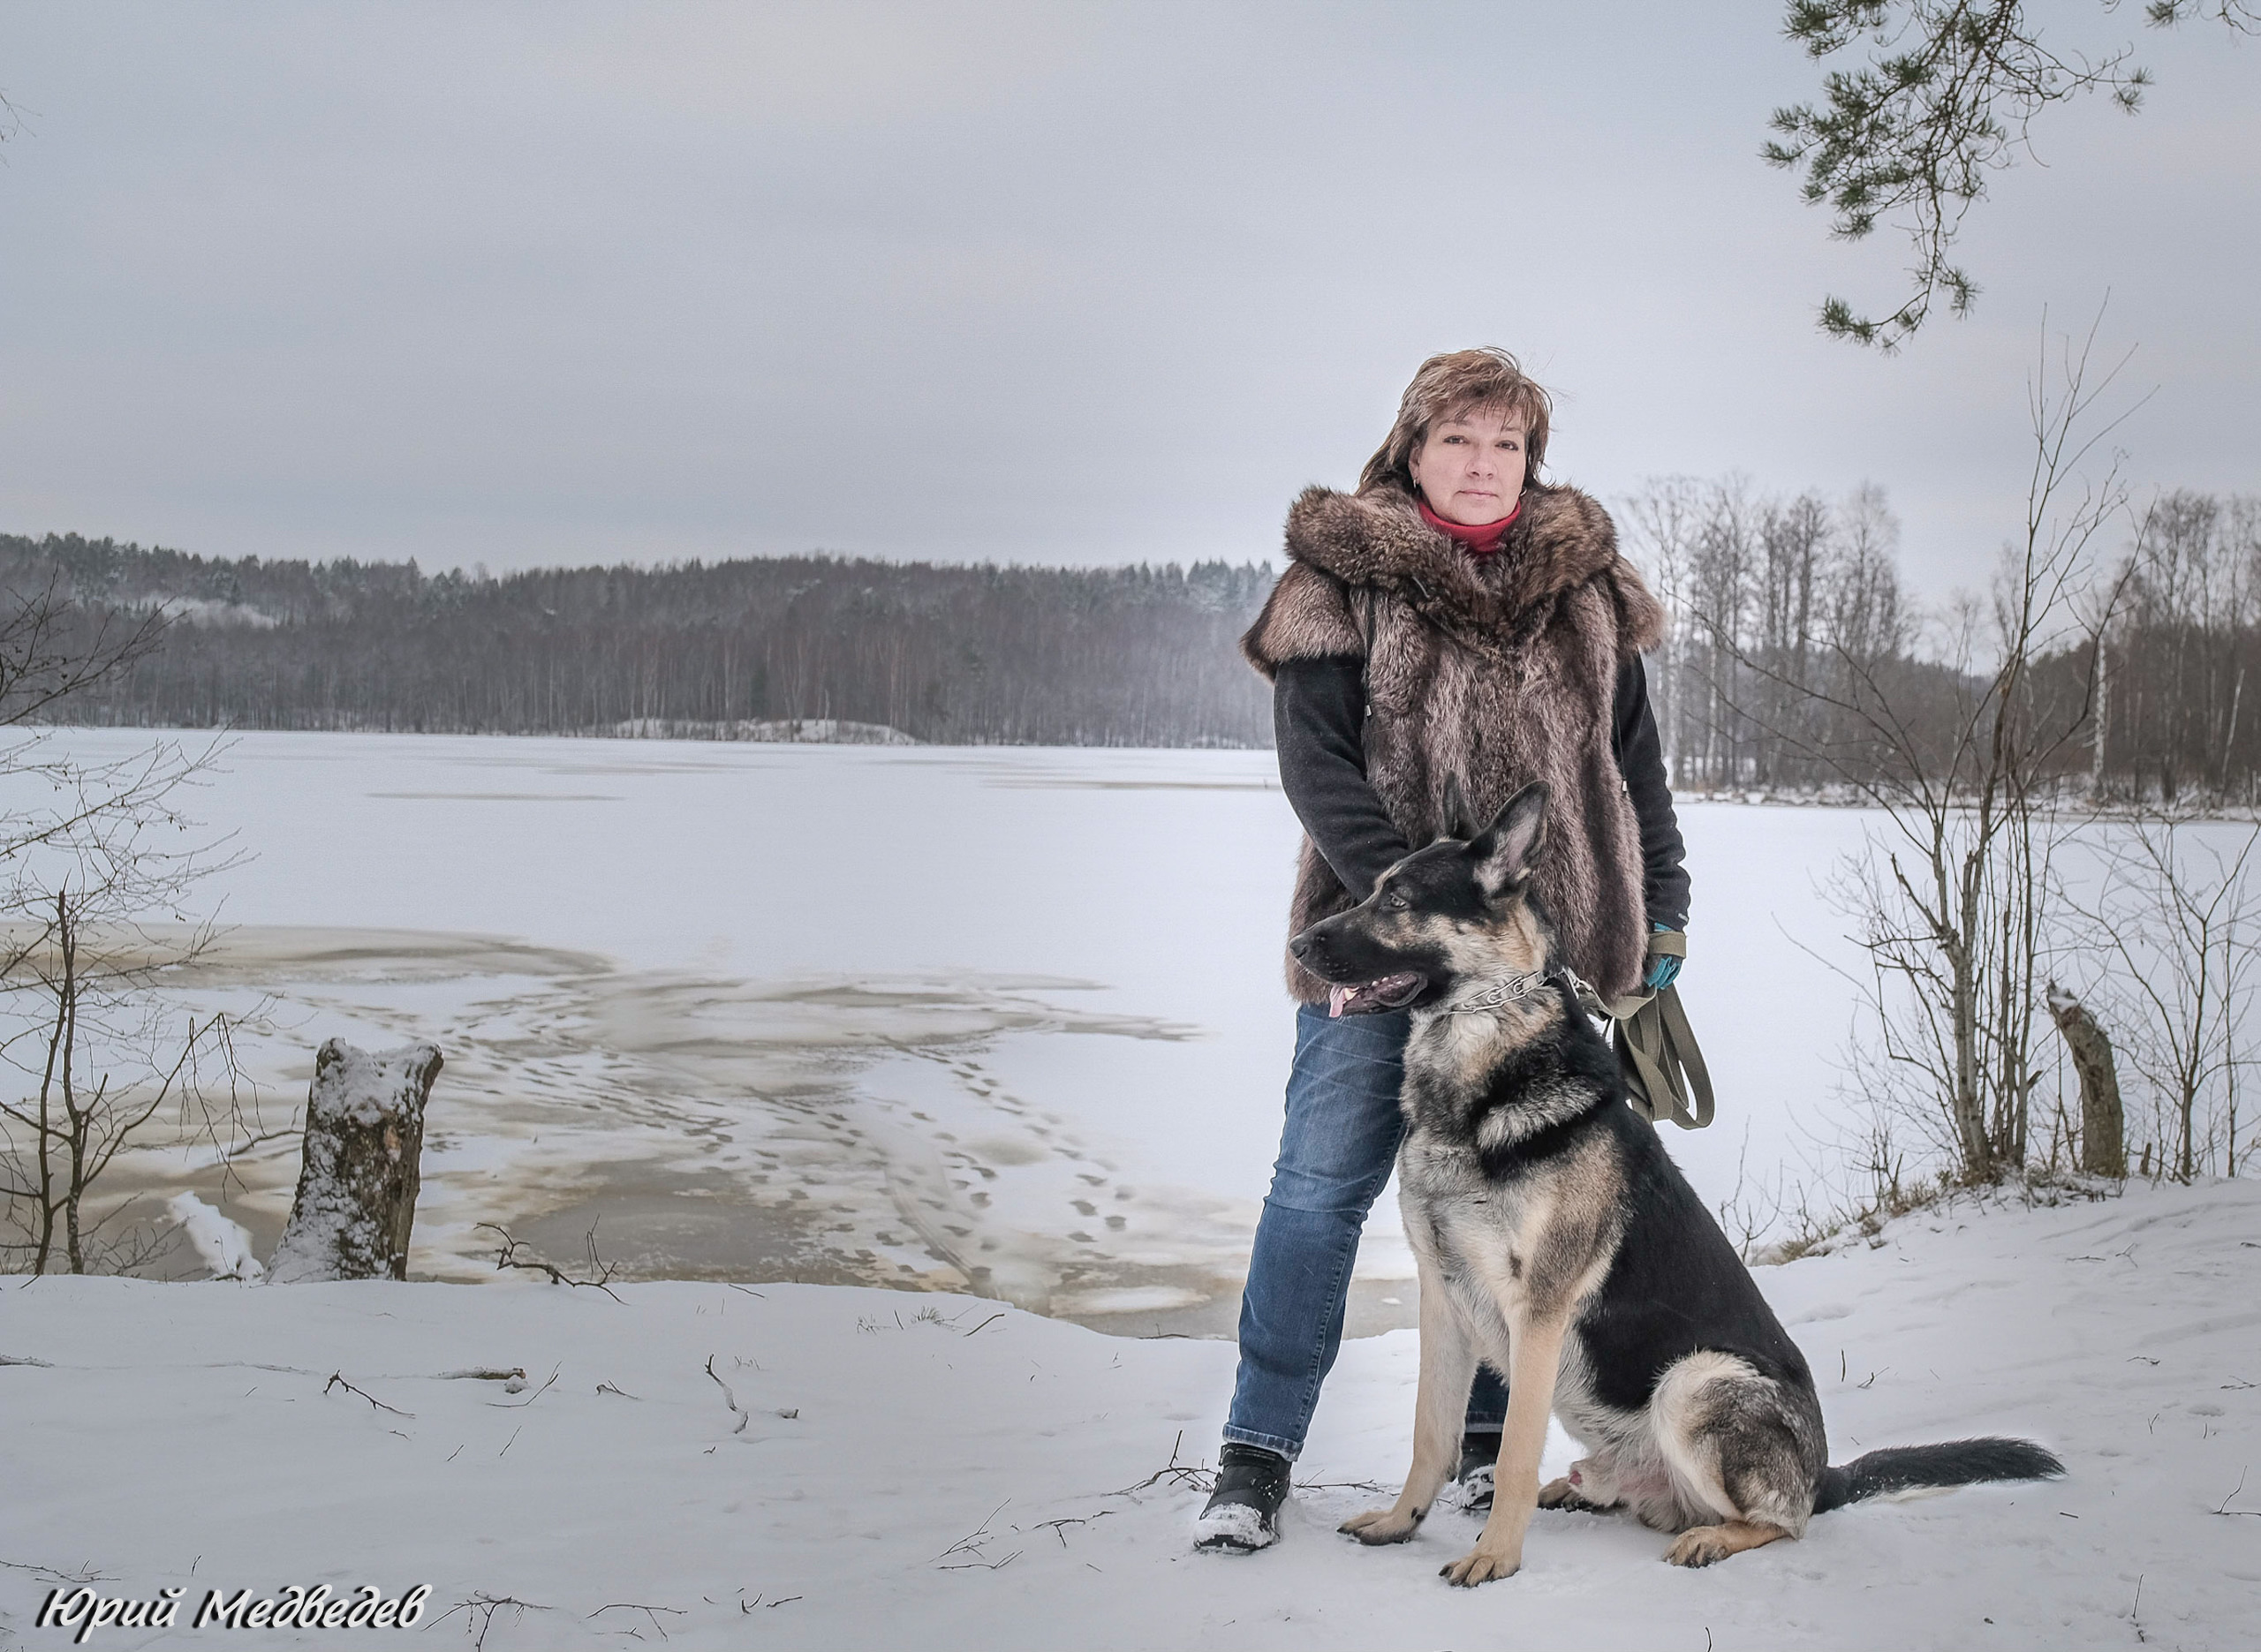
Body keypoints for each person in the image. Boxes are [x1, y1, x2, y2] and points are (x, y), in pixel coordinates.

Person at [1193, 347, 1690, 1553]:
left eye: (1506, 443)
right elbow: (1317, 767)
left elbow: (1635, 774)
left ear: (1532, 460)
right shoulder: (1341, 577)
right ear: (1412, 450)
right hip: (1382, 959)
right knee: (1317, 1195)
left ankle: (1481, 1460)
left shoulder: (1587, 590)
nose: (1483, 464)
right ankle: (1255, 1461)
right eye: (1458, 439)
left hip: (1550, 975)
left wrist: (1662, 909)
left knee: (1513, 1226)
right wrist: (1415, 910)